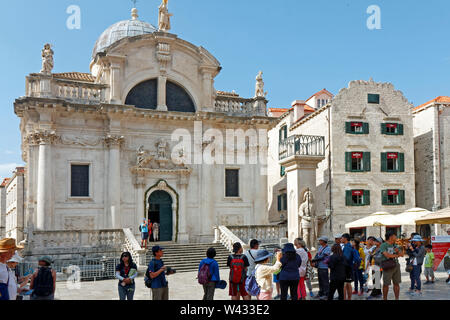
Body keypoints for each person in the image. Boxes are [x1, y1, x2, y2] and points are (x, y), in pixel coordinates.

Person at [380, 231, 404, 300]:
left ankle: (397, 298)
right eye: (395, 236)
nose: (396, 237)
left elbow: (402, 254)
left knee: (396, 283)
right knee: (386, 283)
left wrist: (398, 251)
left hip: (396, 264)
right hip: (387, 265)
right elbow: (386, 254)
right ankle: (385, 298)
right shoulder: (383, 245)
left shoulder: (395, 245)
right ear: (390, 237)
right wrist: (396, 255)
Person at [341, 233, 360, 300]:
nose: (341, 239)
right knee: (348, 284)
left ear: (345, 238)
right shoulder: (350, 246)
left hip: (346, 268)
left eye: (342, 237)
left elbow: (346, 258)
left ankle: (345, 298)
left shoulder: (347, 247)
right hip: (349, 267)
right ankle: (349, 298)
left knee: (344, 285)